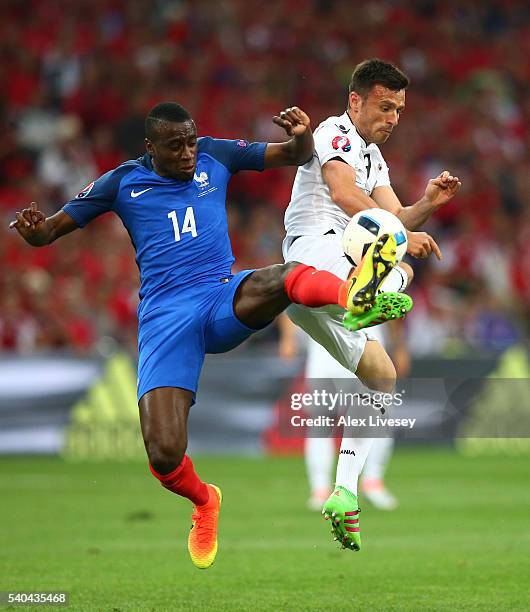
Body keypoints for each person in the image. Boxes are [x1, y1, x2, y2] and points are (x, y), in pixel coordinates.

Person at [10, 102, 409, 570]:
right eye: (175, 145)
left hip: (221, 296)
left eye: (191, 141)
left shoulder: (216, 155)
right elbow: (53, 230)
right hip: (165, 319)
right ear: (150, 148)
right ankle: (204, 502)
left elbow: (292, 155)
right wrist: (37, 234)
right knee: (163, 454)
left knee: (285, 276)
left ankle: (354, 297)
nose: (187, 153)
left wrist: (302, 137)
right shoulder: (121, 182)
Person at [282, 58, 461, 551]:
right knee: (398, 254)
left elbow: (397, 214)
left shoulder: (375, 158)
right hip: (314, 256)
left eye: (400, 110)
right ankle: (368, 295)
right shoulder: (333, 133)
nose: (394, 118)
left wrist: (426, 205)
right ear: (355, 101)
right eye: (385, 107)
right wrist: (403, 234)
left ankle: (344, 490)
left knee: (383, 380)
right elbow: (343, 195)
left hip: (324, 293)